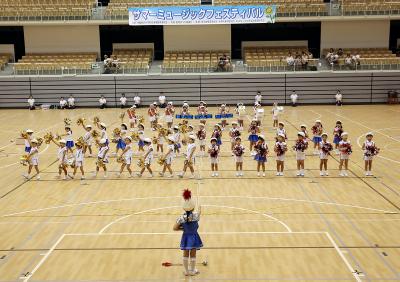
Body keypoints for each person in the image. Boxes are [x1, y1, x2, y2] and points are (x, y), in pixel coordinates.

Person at [173, 189, 203, 276]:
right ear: (193, 207)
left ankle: (186, 271)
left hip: (186, 237)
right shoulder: (196, 216)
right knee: (193, 253)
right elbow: (199, 213)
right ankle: (193, 270)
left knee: (185, 253)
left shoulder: (181, 218)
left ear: (184, 207)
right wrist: (200, 208)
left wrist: (183, 229)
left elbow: (174, 228)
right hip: (194, 236)